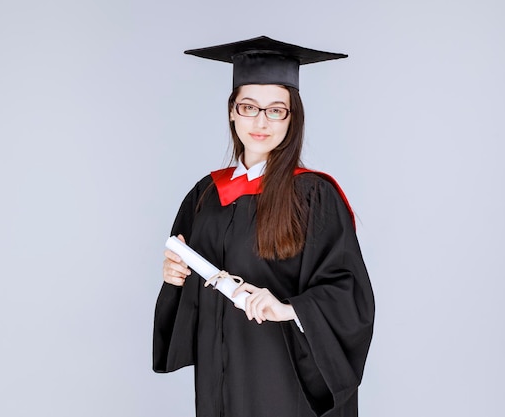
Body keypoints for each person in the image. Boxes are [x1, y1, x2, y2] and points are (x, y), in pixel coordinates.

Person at [153, 36, 374, 417]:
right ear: (232, 112)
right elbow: (191, 283)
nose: (260, 121)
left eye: (276, 110)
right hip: (219, 378)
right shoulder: (205, 194)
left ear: (292, 117)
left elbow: (348, 291)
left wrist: (290, 308)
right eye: (249, 107)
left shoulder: (313, 195)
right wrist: (175, 279)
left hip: (285, 379)